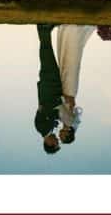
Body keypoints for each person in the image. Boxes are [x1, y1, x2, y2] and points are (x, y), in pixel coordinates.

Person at [34, 24, 63, 153]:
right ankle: (44, 30)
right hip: (53, 85)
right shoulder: (51, 128)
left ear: (49, 143)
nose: (57, 141)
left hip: (48, 84)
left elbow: (43, 107)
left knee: (46, 54)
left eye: (56, 144)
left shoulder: (41, 127)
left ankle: (43, 29)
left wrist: (58, 103)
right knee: (48, 54)